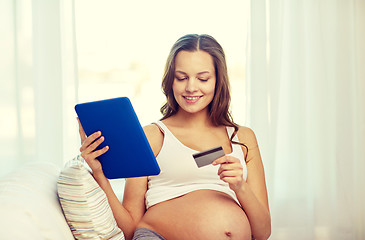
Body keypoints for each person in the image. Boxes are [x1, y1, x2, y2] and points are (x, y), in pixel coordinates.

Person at [78, 34, 271, 240]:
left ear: (218, 80)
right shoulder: (151, 137)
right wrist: (99, 174)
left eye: (203, 78)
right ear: (170, 81)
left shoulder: (242, 138)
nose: (191, 87)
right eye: (181, 78)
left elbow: (263, 232)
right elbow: (129, 229)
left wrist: (240, 187)